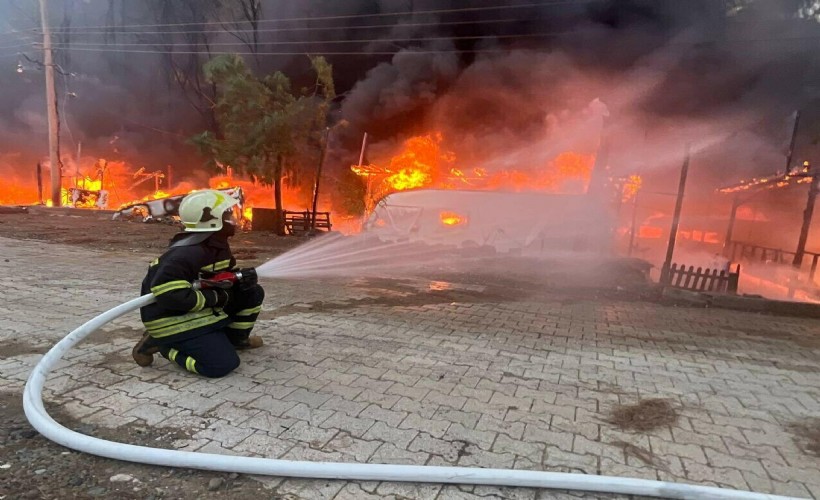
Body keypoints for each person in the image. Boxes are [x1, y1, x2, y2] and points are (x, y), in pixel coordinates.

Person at [131, 189, 265, 378]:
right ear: (212, 220)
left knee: (252, 292)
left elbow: (215, 277)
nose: (233, 219)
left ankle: (236, 340)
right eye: (227, 215)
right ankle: (163, 345)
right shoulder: (186, 254)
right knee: (221, 365)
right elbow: (169, 295)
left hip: (197, 308)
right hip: (174, 318)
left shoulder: (216, 245)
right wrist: (216, 297)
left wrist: (238, 277)